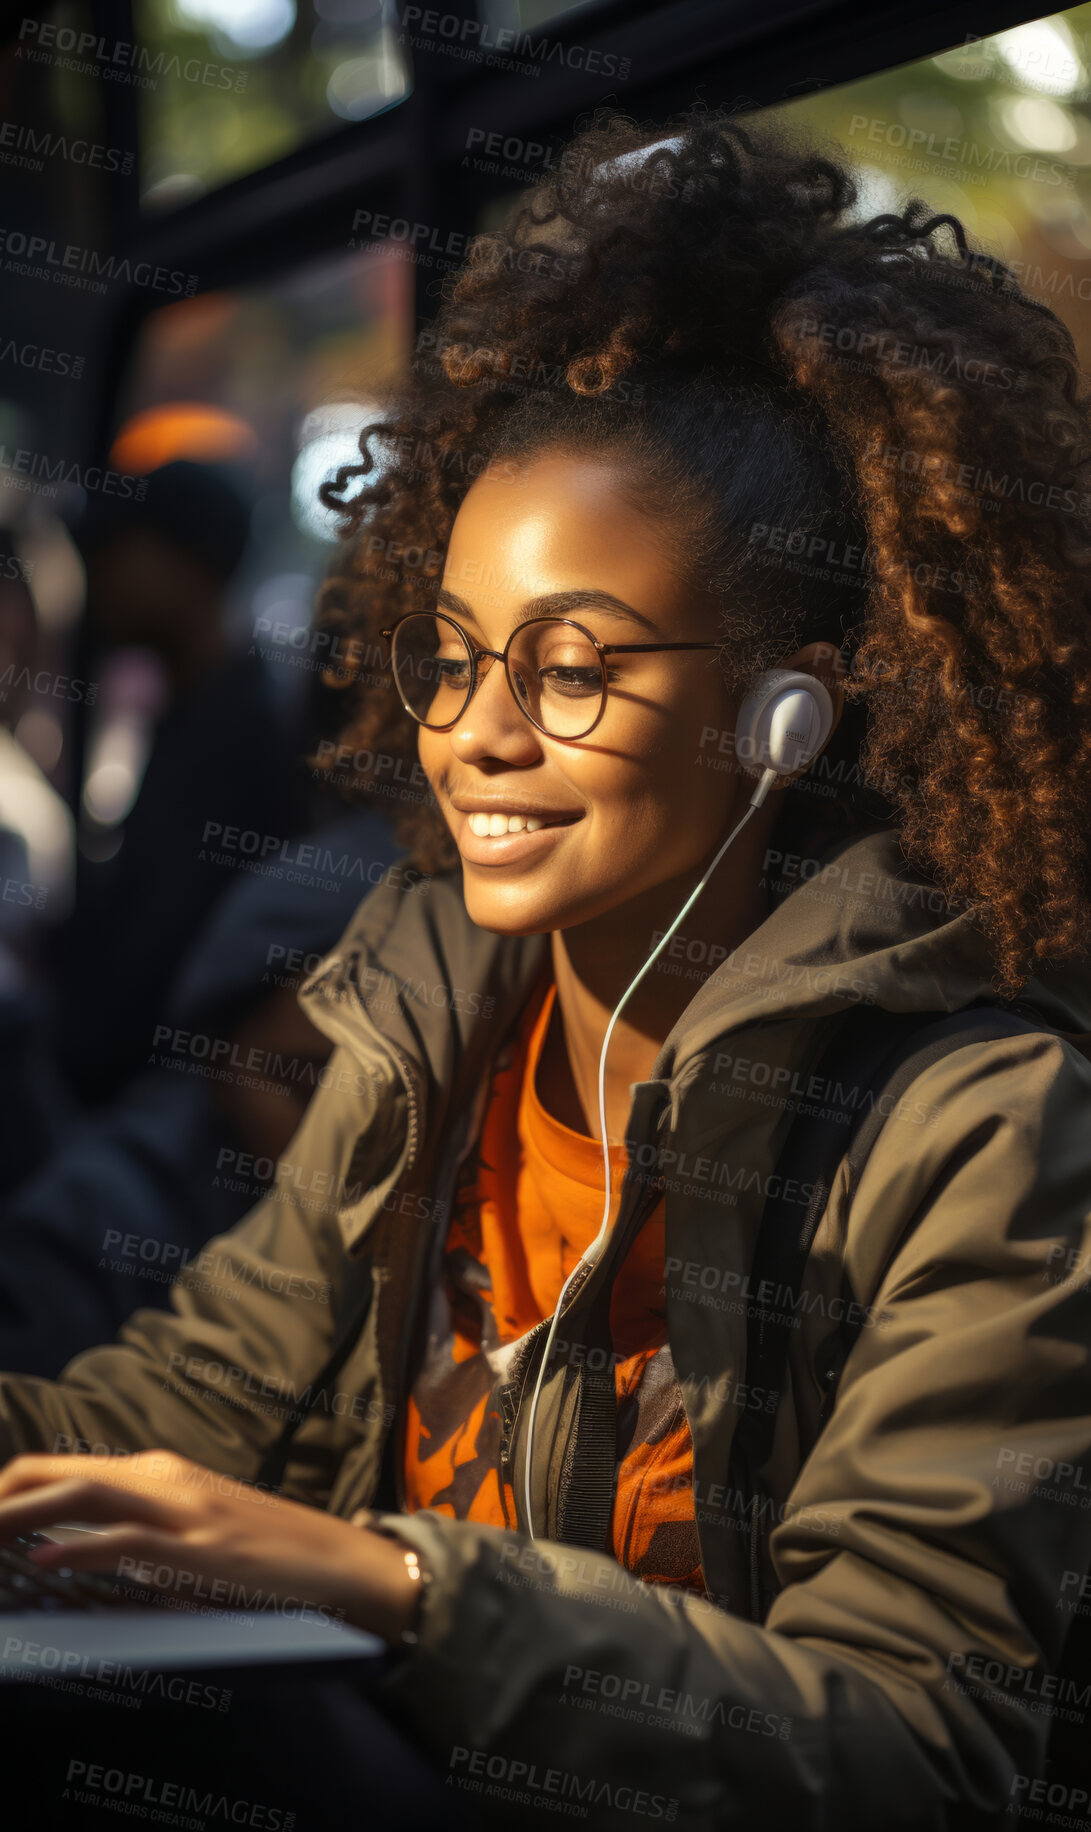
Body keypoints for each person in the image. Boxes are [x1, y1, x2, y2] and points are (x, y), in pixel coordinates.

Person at [0, 110, 1089, 1830]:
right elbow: (185, 1400)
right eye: (448, 658)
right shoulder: (429, 1004)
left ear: (786, 711)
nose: (477, 735)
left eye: (570, 669)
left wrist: (400, 1588)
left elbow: (916, 1748)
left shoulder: (982, 1128)